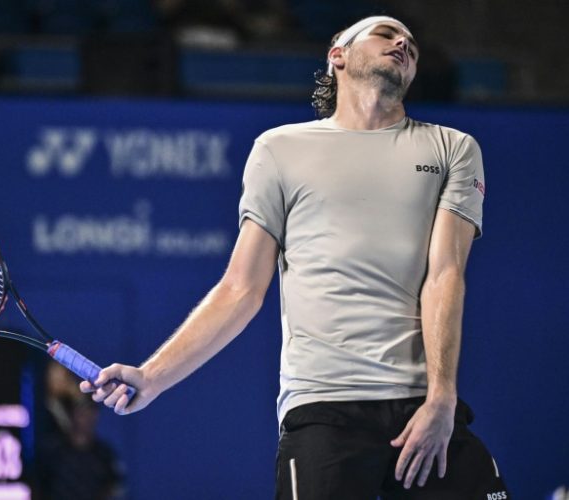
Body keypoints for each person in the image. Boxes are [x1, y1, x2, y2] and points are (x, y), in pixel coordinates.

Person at [81, 15, 510, 499]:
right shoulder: (279, 150)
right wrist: (152, 376)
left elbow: (445, 276)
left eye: (410, 42)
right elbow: (240, 289)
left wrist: (441, 399)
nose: (403, 43)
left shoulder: (453, 148)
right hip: (324, 411)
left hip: (424, 409)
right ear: (338, 54)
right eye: (386, 34)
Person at [38, 361, 125, 500]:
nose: (86, 417)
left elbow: (114, 488)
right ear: (72, 414)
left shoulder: (104, 455)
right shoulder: (53, 451)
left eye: (91, 411)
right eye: (81, 412)